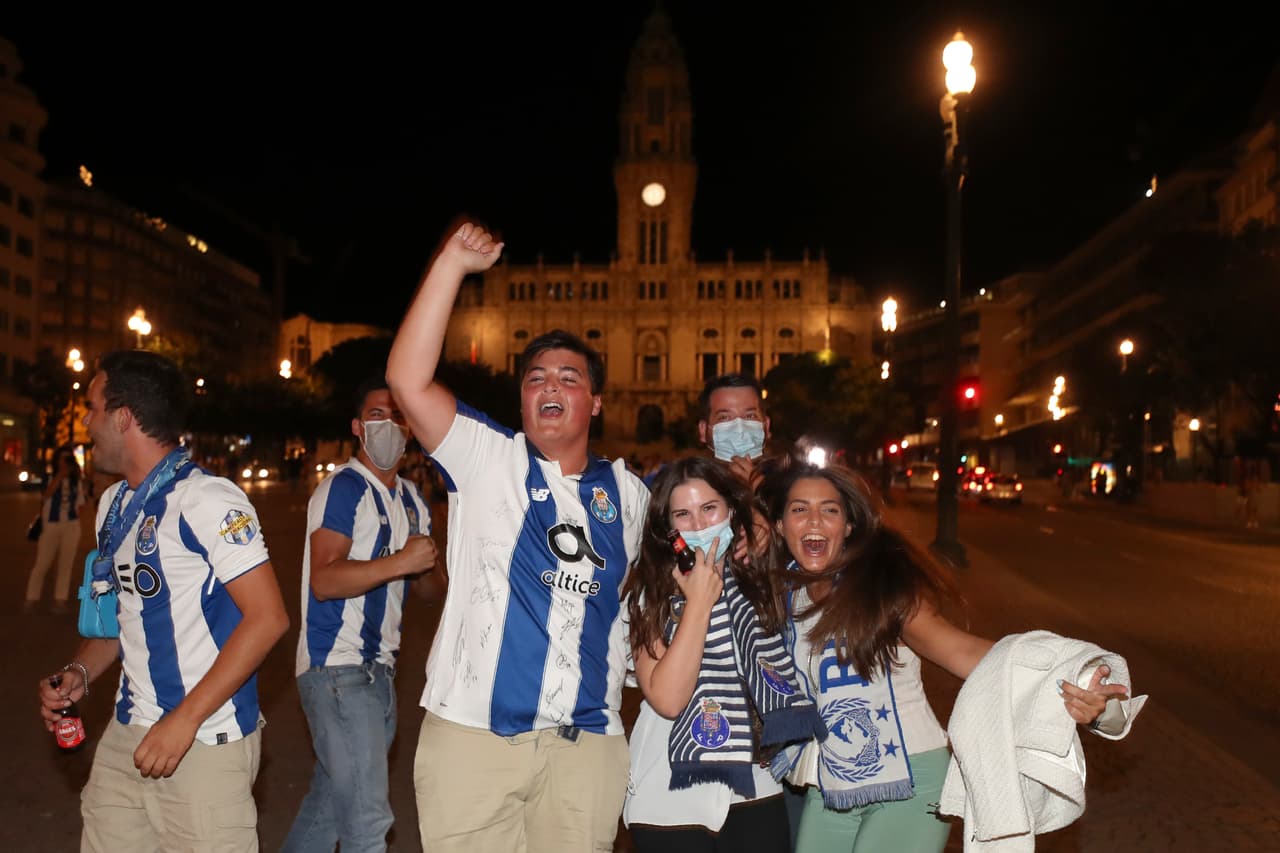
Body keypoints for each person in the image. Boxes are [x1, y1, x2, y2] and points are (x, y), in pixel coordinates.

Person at [386, 221, 650, 852]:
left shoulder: (632, 496)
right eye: (535, 378)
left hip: (586, 744)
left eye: (569, 377)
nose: (550, 385)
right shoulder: (486, 457)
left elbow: (640, 605)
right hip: (475, 738)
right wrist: (450, 264)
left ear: (596, 402)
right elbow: (408, 382)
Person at [761, 458, 1128, 853]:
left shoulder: (882, 593)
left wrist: (1072, 680)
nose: (814, 521)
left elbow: (964, 651)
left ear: (848, 526)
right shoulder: (786, 599)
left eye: (830, 510)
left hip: (911, 784)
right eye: (799, 509)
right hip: (833, 786)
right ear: (780, 526)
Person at [36, 350, 290, 852]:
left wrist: (185, 719)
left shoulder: (207, 500)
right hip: (127, 733)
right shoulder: (113, 506)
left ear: (123, 417)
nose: (85, 422)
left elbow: (269, 619)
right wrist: (80, 674)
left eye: (92, 408)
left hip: (204, 741)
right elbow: (123, 619)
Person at [622, 456, 823, 853]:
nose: (699, 525)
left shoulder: (759, 581)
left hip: (755, 784)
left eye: (709, 508)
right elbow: (668, 699)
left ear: (731, 511)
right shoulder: (649, 593)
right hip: (669, 787)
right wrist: (698, 603)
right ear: (668, 527)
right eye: (683, 514)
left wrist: (758, 522)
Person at [283, 378, 442, 853]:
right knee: (367, 824)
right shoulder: (343, 489)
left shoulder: (412, 500)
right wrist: (402, 561)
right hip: (338, 669)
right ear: (357, 427)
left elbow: (429, 590)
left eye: (398, 417)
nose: (388, 425)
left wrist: (431, 562)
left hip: (380, 672)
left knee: (329, 809)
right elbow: (324, 580)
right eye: (377, 415)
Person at [24, 445, 88, 614]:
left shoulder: (76, 480)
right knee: (42, 563)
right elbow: (46, 495)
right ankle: (31, 597)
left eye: (67, 459)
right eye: (61, 458)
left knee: (65, 564)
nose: (64, 462)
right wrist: (60, 476)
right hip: (51, 525)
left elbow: (81, 502)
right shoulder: (50, 477)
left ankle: (60, 599)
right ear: (56, 460)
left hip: (71, 526)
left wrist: (74, 517)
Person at [697, 373, 771, 492]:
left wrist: (760, 490)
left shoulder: (790, 486)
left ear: (766, 426)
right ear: (703, 429)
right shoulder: (691, 489)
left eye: (750, 416)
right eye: (724, 417)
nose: (739, 429)